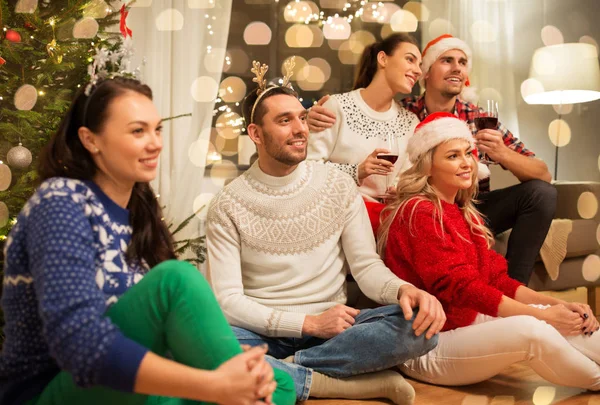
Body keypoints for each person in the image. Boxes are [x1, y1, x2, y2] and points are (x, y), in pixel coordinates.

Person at [0, 76, 295, 405]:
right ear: (90, 139)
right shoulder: (61, 203)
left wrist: (220, 361)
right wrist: (214, 384)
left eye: (157, 130)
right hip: (53, 389)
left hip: (122, 386)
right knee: (176, 279)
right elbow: (80, 344)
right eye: (138, 131)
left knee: (276, 382)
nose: (155, 143)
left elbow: (148, 333)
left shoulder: (139, 213)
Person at [206, 61, 446, 404]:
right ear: (256, 134)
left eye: (301, 118)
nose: (300, 129)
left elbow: (365, 267)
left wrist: (404, 290)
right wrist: (308, 323)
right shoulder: (228, 203)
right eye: (284, 121)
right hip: (261, 331)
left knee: (418, 325)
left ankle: (283, 371)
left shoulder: (337, 183)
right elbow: (228, 302)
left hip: (335, 332)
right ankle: (333, 383)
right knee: (206, 343)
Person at [308, 34, 556, 285]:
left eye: (462, 62)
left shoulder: (477, 118)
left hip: (470, 209)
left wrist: (501, 152)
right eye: (447, 60)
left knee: (541, 193)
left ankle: (514, 290)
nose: (457, 68)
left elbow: (543, 173)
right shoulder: (407, 111)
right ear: (426, 72)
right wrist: (305, 116)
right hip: (424, 210)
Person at [377, 111, 600, 390]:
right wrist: (543, 316)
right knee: (532, 328)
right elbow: (462, 288)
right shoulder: (418, 212)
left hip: (466, 323)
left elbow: (496, 280)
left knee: (558, 316)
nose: (466, 163)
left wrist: (559, 307)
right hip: (425, 344)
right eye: (452, 156)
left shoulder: (461, 212)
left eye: (468, 153)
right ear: (428, 166)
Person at [306, 33, 422, 202]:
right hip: (338, 213)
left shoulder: (410, 122)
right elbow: (309, 167)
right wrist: (356, 171)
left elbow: (407, 180)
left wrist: (399, 192)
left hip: (385, 219)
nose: (418, 70)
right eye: (410, 59)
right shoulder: (336, 107)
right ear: (383, 59)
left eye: (420, 65)